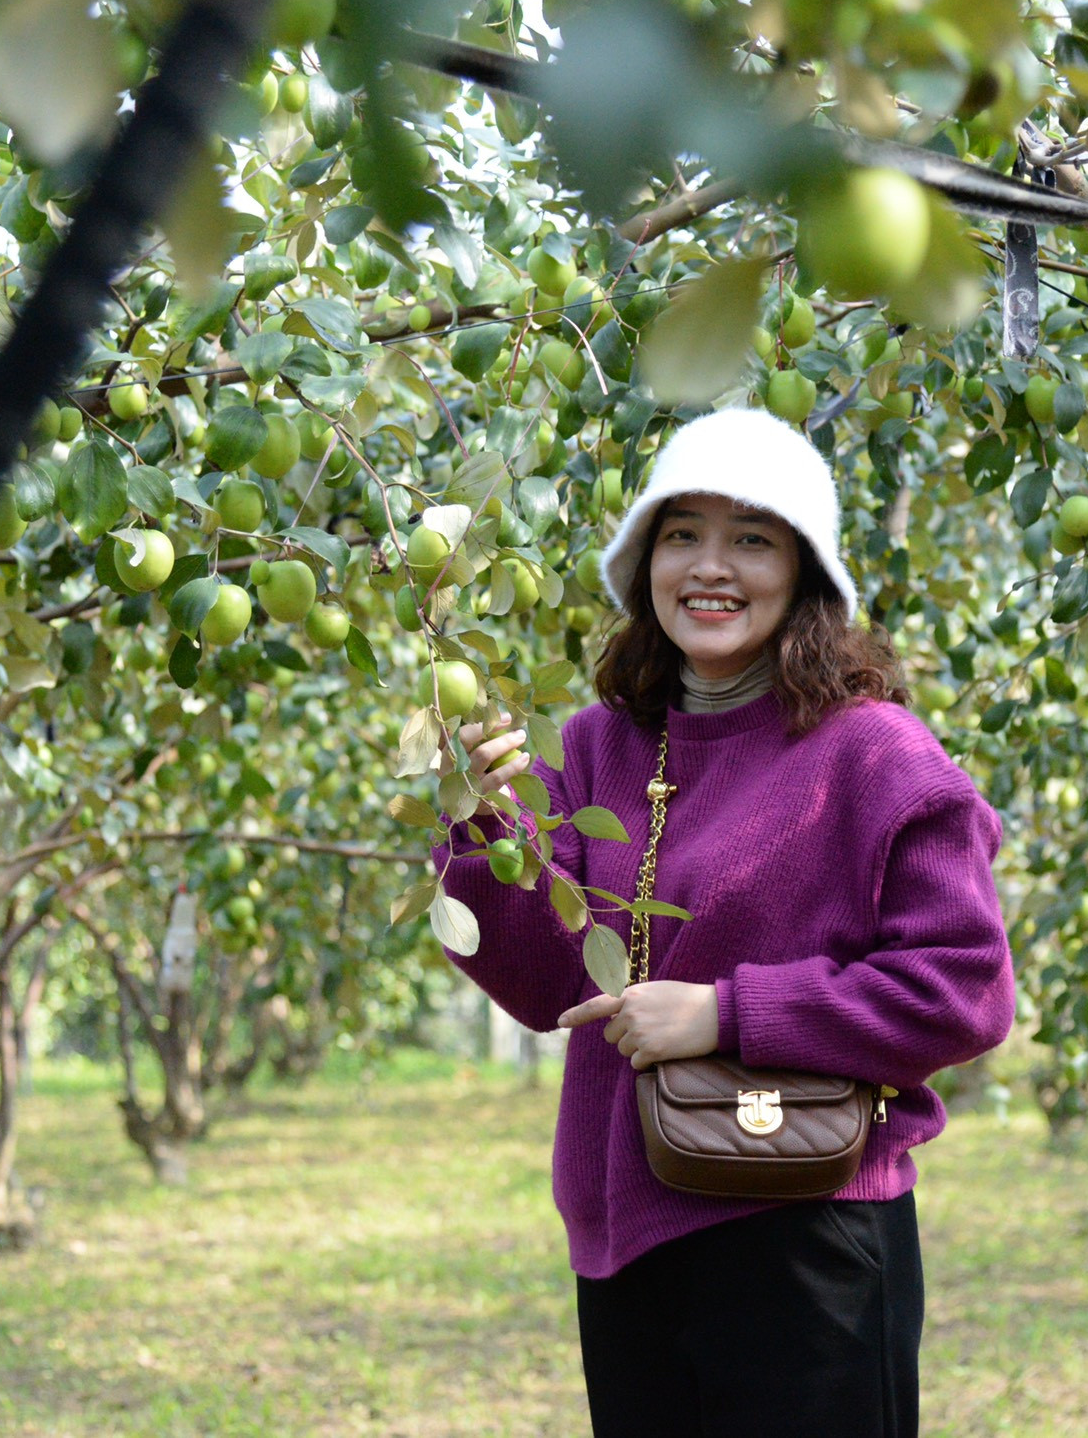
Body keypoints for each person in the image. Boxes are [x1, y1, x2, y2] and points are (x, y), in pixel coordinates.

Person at [434, 404, 1015, 1438]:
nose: (710, 566)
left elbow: (962, 989)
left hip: (804, 1230)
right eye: (681, 533)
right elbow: (547, 985)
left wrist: (725, 1013)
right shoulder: (597, 747)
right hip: (627, 1235)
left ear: (804, 571)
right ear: (643, 563)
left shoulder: (875, 754)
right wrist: (485, 827)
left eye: (751, 537)